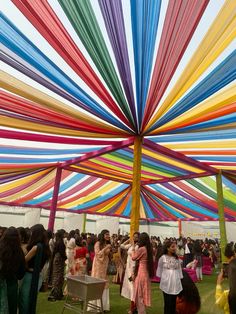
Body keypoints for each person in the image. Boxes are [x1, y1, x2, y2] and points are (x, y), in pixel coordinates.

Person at [18, 224, 50, 314]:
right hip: (38, 276)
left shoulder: (36, 247)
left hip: (29, 277)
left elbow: (24, 260)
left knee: (24, 300)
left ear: (35, 234)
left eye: (32, 232)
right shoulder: (45, 247)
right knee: (31, 299)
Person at [0, 227, 25, 314]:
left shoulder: (0, 248)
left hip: (2, 282)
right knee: (11, 308)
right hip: (12, 285)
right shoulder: (19, 252)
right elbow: (21, 274)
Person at [157, 240, 183, 314]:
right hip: (166, 283)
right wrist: (162, 278)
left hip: (175, 282)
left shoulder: (176, 258)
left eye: (175, 246)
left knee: (173, 303)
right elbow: (160, 269)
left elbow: (179, 269)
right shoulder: (163, 258)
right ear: (168, 248)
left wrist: (180, 279)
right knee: (167, 302)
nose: (175, 248)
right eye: (172, 247)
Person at [89, 229, 112, 312]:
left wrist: (109, 248)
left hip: (105, 266)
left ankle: (104, 306)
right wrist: (106, 248)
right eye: (106, 234)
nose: (108, 236)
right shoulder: (97, 243)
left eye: (108, 234)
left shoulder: (107, 244)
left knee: (104, 284)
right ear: (102, 235)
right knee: (97, 283)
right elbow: (98, 254)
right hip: (98, 266)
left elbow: (108, 254)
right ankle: (96, 306)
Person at [131, 232, 154, 314]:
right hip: (146, 274)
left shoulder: (142, 249)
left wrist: (133, 248)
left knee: (139, 296)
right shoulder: (148, 249)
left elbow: (133, 257)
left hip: (141, 274)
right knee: (142, 296)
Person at [121, 232, 139, 313]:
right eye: (134, 237)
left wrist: (134, 245)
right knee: (130, 287)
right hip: (128, 267)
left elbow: (135, 256)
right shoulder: (131, 245)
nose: (135, 238)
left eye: (136, 237)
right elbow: (122, 246)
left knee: (133, 288)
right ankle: (133, 307)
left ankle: (133, 308)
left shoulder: (138, 246)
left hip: (133, 268)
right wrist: (128, 240)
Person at [48, 229, 67, 301]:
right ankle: (55, 294)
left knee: (57, 276)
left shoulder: (58, 241)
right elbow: (62, 253)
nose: (65, 235)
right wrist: (66, 258)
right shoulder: (60, 242)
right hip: (59, 260)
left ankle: (57, 293)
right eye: (64, 234)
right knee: (58, 277)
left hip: (57, 259)